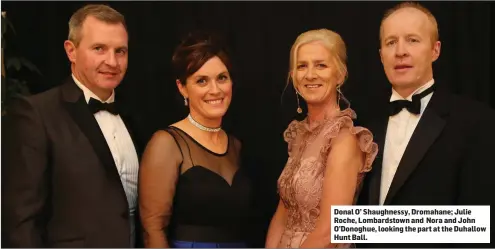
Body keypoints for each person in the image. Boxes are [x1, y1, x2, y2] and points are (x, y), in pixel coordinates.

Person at [2, 4, 143, 247]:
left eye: (120, 51)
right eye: (99, 48)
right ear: (71, 51)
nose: (112, 61)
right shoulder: (36, 114)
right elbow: (20, 222)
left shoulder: (133, 116)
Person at [357, 2, 495, 247]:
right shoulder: (364, 124)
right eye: (391, 42)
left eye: (412, 40)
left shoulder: (476, 121)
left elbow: (479, 222)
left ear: (435, 50)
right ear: (381, 55)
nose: (400, 51)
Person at [265, 29, 379, 248]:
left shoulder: (344, 137)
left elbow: (329, 231)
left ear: (340, 74)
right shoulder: (299, 135)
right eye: (302, 66)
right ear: (293, 76)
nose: (310, 75)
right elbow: (284, 213)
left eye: (321, 65)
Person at [138, 31, 252, 248]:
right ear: (182, 88)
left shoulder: (235, 145)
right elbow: (153, 228)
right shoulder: (167, 143)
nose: (215, 90)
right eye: (202, 81)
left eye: (222, 78)